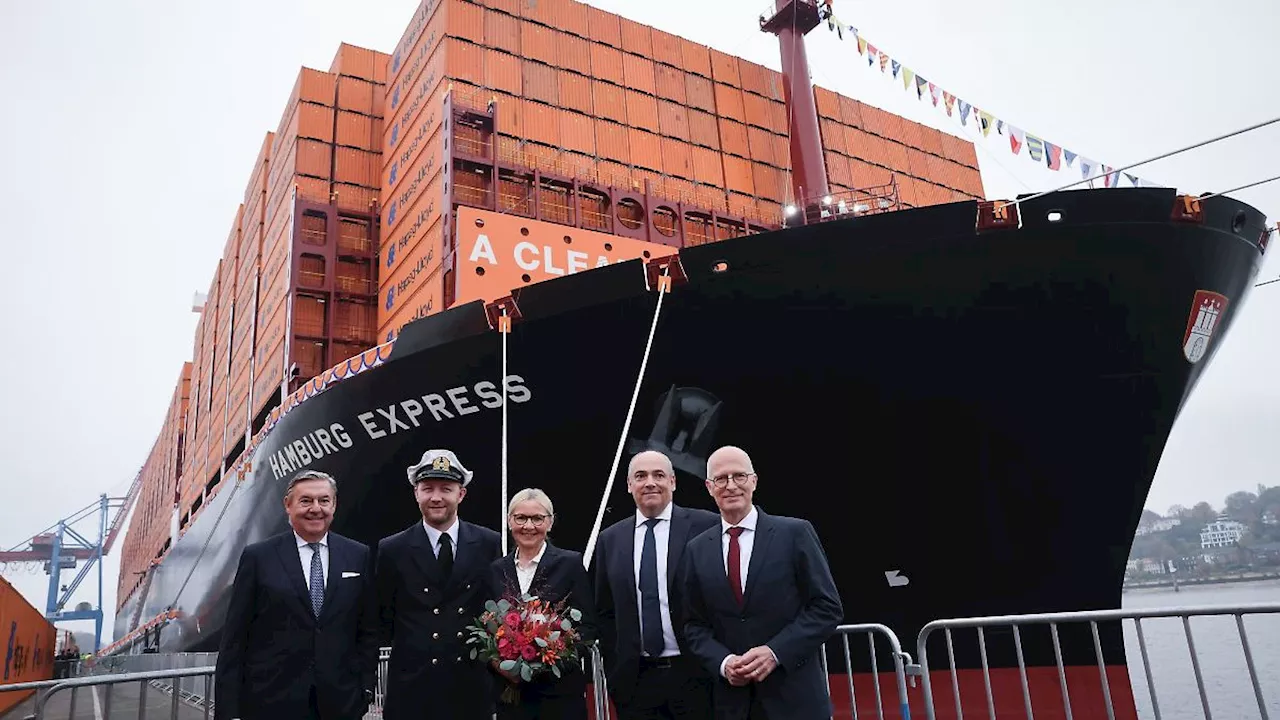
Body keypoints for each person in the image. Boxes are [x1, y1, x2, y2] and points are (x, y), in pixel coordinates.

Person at [681, 446, 844, 720]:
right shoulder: (697, 550)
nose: (730, 485)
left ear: (754, 481)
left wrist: (775, 652)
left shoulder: (795, 533)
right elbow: (693, 624)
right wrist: (723, 663)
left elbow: (827, 607)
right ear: (709, 487)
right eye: (721, 479)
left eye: (739, 476)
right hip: (733, 705)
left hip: (795, 700)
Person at [213, 470, 378, 720]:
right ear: (287, 505)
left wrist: (365, 688)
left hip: (340, 704)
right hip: (270, 704)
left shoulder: (358, 555)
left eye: (324, 500)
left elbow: (367, 630)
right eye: (306, 501)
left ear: (334, 505)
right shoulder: (258, 557)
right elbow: (235, 638)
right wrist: (229, 711)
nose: (316, 508)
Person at [375, 448, 503, 720]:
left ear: (461, 494)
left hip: (470, 689)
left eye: (446, 488)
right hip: (413, 691)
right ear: (416, 493)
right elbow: (381, 617)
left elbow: (495, 610)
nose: (436, 497)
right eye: (427, 488)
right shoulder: (392, 549)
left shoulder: (488, 543)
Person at [594, 450, 720, 719]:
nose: (650, 482)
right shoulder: (610, 539)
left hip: (697, 676)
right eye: (640, 476)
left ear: (673, 482)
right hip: (636, 682)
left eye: (658, 475)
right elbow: (605, 611)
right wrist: (616, 670)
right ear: (629, 486)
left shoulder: (707, 526)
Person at [486, 488, 598, 720]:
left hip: (559, 696)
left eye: (537, 518)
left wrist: (547, 660)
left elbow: (587, 627)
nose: (529, 526)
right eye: (521, 518)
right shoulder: (496, 570)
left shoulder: (570, 564)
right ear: (509, 521)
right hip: (511, 696)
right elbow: (485, 627)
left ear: (550, 522)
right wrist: (500, 664)